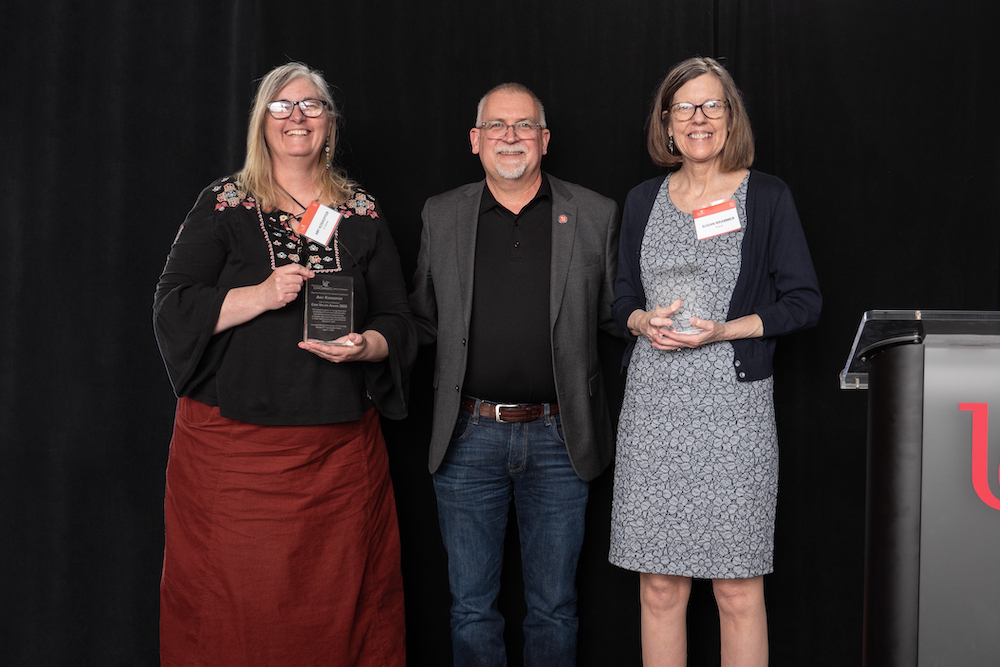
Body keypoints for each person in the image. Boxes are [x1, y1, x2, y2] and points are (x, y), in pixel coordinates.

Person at [153, 62, 414, 667]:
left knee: (345, 610)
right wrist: (260, 295)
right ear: (261, 122)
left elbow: (400, 321)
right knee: (234, 611)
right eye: (281, 106)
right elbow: (172, 304)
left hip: (340, 460)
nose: (297, 116)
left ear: (330, 122)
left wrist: (367, 345)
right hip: (236, 454)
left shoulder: (362, 212)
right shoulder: (225, 203)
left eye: (312, 105)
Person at [609, 57, 821, 666]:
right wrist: (641, 321)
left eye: (712, 106)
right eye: (685, 108)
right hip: (654, 411)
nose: (698, 119)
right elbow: (622, 296)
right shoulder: (642, 200)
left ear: (730, 119)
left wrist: (728, 328)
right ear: (667, 124)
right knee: (659, 586)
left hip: (734, 411)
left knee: (735, 587)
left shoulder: (768, 196)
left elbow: (805, 303)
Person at [408, 83, 621, 666]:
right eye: (497, 126)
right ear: (475, 141)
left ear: (545, 140)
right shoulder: (442, 213)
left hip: (561, 438)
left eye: (524, 125)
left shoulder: (596, 213)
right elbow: (421, 320)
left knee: (555, 607)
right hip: (466, 436)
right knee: (471, 608)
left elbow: (617, 317)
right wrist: (361, 335)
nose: (511, 136)